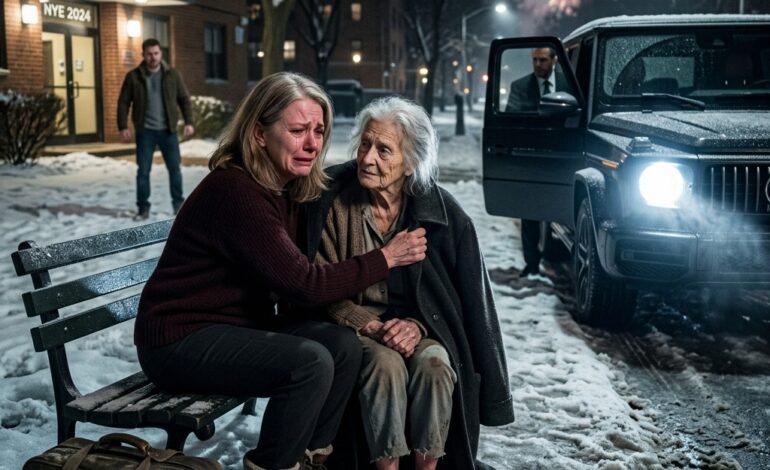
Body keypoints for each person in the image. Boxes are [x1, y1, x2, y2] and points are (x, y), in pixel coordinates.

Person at [133, 72, 428, 470]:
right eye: (297, 130)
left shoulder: (284, 185)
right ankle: (273, 464)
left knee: (341, 346)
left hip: (234, 325)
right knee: (309, 362)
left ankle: (311, 459)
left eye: (319, 131)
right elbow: (304, 284)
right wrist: (385, 257)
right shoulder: (236, 192)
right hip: (178, 340)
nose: (312, 144)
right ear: (259, 134)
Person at [304, 96, 514, 470]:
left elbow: (458, 300)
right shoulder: (334, 204)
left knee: (435, 364)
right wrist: (368, 324)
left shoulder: (441, 213)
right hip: (356, 326)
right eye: (365, 145)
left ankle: (427, 466)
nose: (368, 158)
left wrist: (416, 326)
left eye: (384, 150)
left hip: (419, 327)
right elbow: (321, 284)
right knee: (386, 366)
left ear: (411, 163)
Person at [505, 46, 567, 276]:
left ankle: (557, 254)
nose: (538, 64)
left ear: (554, 60)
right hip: (532, 156)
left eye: (543, 60)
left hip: (563, 155)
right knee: (529, 213)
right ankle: (531, 263)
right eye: (535, 60)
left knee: (559, 210)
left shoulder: (568, 83)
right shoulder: (521, 87)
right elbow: (513, 119)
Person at [118, 38, 194, 221]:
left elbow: (183, 99)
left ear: (161, 54)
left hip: (168, 131)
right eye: (149, 54)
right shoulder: (134, 76)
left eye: (156, 53)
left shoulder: (172, 75)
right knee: (143, 172)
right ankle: (143, 208)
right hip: (146, 132)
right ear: (143, 55)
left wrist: (189, 122)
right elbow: (123, 102)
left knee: (174, 169)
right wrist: (122, 125)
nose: (153, 57)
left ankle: (178, 205)